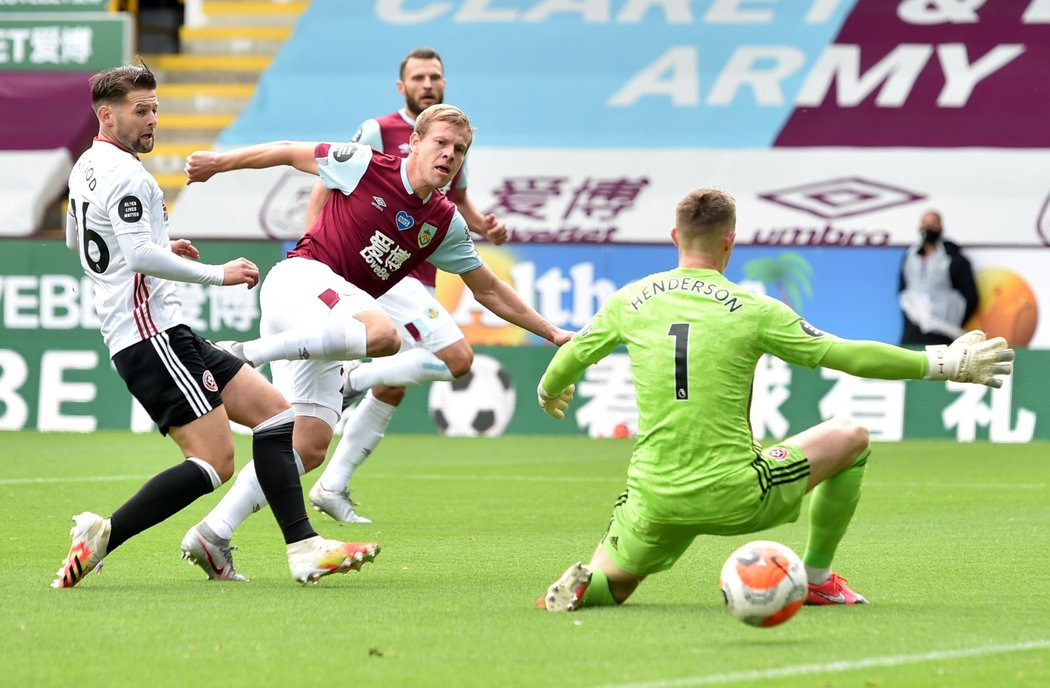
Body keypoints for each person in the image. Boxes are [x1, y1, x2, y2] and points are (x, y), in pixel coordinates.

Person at [534, 188, 1013, 612]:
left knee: (614, 586)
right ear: (730, 240)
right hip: (737, 494)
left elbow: (569, 356)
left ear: (674, 237)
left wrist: (551, 389)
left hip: (654, 498)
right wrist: (943, 364)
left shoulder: (630, 299)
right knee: (853, 437)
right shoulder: (753, 309)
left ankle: (587, 586)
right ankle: (819, 579)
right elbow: (846, 355)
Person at [180, 103, 571, 580]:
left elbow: (487, 288)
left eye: (460, 150)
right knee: (382, 333)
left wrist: (550, 331)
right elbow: (287, 151)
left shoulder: (444, 222)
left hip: (325, 324)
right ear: (415, 143)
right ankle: (243, 354)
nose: (450, 155)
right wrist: (218, 164)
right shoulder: (363, 162)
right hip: (302, 280)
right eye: (441, 144)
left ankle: (213, 534)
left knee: (308, 445)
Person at [53, 61, 379, 589]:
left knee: (277, 418)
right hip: (150, 335)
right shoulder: (127, 173)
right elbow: (137, 256)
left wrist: (160, 247)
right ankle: (105, 533)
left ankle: (302, 548)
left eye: (155, 109)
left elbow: (78, 241)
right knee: (213, 461)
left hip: (161, 331)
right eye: (141, 111)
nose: (152, 120)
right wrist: (216, 273)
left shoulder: (86, 165)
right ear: (106, 114)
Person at [303, 46, 509, 524]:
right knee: (455, 358)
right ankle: (352, 380)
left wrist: (484, 227)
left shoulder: (452, 142)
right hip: (377, 267)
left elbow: (458, 202)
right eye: (418, 77)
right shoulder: (378, 131)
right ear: (403, 87)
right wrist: (315, 247)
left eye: (435, 76)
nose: (428, 84)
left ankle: (334, 484)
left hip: (416, 268)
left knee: (395, 385)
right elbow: (329, 179)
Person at [899, 210, 979, 346]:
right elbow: (903, 291)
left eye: (933, 223)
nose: (929, 228)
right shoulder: (910, 257)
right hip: (913, 331)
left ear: (941, 227)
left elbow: (971, 296)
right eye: (925, 223)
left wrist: (951, 317)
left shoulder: (955, 258)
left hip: (944, 333)